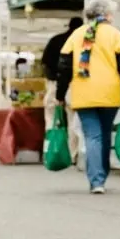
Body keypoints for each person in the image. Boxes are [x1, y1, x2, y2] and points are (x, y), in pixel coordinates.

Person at [56, 0, 120, 194]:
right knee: (105, 134)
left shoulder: (76, 35)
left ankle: (96, 180)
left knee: (92, 135)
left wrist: (60, 94)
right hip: (110, 93)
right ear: (107, 15)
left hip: (83, 93)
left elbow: (64, 67)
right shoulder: (115, 35)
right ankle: (102, 175)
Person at [42, 16, 82, 159]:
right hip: (75, 84)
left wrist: (52, 79)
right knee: (73, 119)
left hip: (54, 83)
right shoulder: (82, 42)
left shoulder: (56, 40)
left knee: (52, 117)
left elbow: (45, 63)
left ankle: (51, 150)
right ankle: (73, 153)